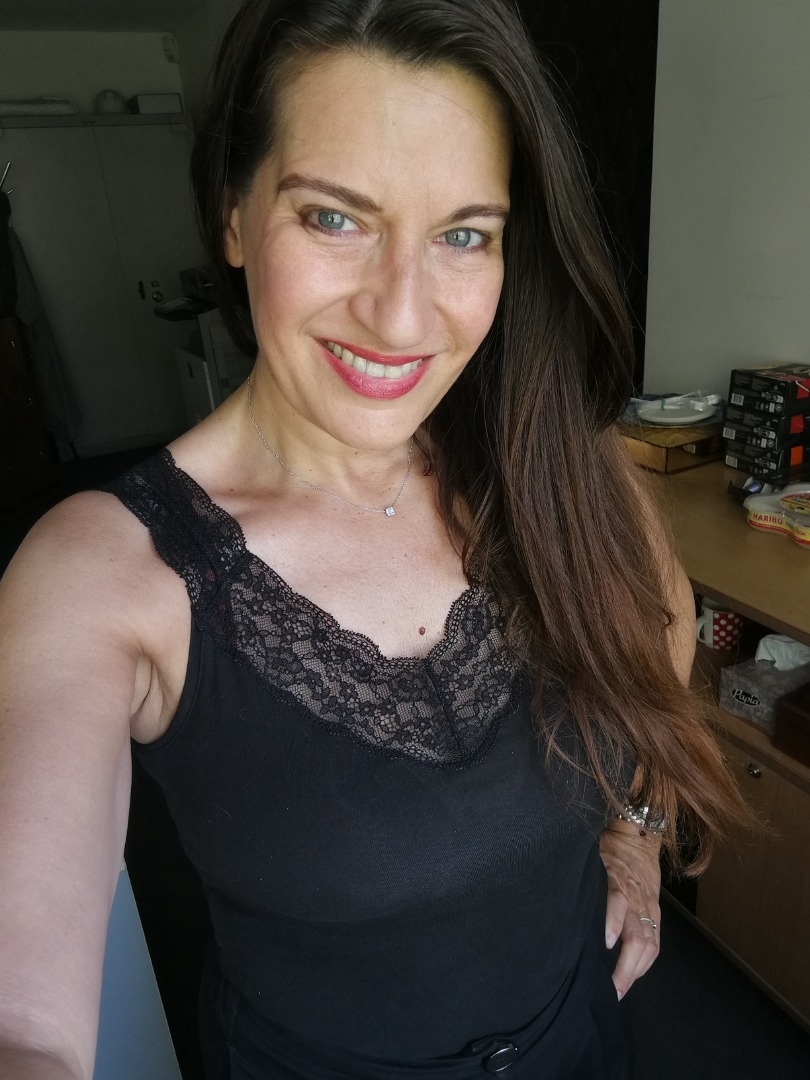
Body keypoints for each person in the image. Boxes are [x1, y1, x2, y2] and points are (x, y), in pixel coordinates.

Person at [0, 1, 748, 1077]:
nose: (402, 317)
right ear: (232, 213)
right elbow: (23, 1023)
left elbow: (665, 621)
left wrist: (634, 828)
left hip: (585, 1040)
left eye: (463, 235)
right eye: (334, 218)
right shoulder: (104, 574)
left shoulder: (551, 463)